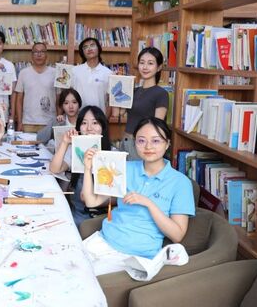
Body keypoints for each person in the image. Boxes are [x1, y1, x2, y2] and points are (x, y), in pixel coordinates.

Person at [81, 117, 195, 276]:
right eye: (141, 141)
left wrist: (148, 203)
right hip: (103, 241)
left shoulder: (181, 183)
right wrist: (87, 169)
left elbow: (177, 235)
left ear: (167, 143)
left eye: (156, 141)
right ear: (135, 143)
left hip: (136, 256)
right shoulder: (124, 168)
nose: (148, 146)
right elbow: (91, 201)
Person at [49, 105, 111, 226]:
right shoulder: (76, 151)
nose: (89, 128)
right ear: (78, 128)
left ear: (103, 127)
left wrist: (95, 198)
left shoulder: (112, 154)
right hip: (75, 215)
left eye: (95, 123)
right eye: (84, 123)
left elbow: (118, 195)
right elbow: (54, 169)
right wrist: (65, 143)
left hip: (99, 218)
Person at [120, 47, 169, 160]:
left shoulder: (161, 93)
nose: (145, 67)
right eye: (142, 63)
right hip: (126, 141)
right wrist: (116, 92)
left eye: (150, 63)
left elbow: (157, 125)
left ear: (159, 67)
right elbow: (120, 112)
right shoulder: (134, 91)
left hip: (143, 144)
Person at [14, 42, 57, 133]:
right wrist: (19, 122)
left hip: (50, 122)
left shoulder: (55, 73)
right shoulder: (23, 73)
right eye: (36, 52)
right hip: (28, 123)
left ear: (46, 55)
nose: (39, 54)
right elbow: (19, 100)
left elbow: (59, 98)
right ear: (32, 55)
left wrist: (58, 121)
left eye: (42, 52)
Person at [71, 37, 113, 115]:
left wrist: (105, 119)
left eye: (92, 45)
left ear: (98, 48)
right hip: (78, 117)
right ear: (82, 52)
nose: (89, 48)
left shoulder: (108, 73)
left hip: (99, 118)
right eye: (85, 47)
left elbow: (110, 101)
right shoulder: (74, 71)